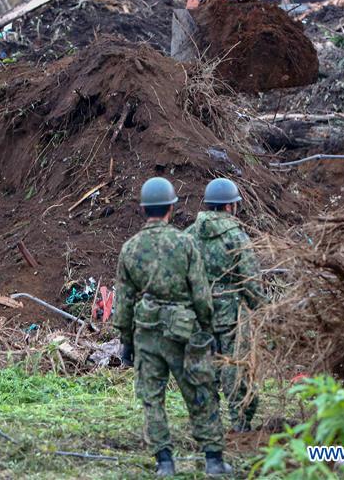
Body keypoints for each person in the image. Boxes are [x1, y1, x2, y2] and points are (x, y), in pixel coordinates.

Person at [114, 177, 231, 477]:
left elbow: (124, 302)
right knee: (199, 392)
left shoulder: (129, 249)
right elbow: (201, 295)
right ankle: (214, 460)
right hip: (183, 330)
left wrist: (126, 341)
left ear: (144, 210)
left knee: (152, 399)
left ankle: (164, 462)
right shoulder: (185, 243)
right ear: (170, 209)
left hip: (147, 332)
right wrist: (208, 331)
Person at [187, 178, 265, 433]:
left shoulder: (188, 235)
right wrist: (263, 311)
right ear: (230, 206)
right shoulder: (236, 236)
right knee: (235, 369)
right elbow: (251, 281)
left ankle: (207, 425)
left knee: (202, 370)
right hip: (231, 315)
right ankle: (241, 423)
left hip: (198, 314)